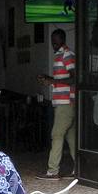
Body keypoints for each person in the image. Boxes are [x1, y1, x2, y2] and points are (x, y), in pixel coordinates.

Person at [37, 28, 76, 179]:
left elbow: (73, 78)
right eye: (52, 40)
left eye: (56, 39)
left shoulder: (67, 54)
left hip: (66, 101)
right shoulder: (59, 54)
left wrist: (52, 81)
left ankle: (53, 171)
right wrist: (48, 78)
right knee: (71, 137)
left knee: (57, 134)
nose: (53, 43)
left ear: (63, 39)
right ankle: (78, 169)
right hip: (64, 102)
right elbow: (64, 78)